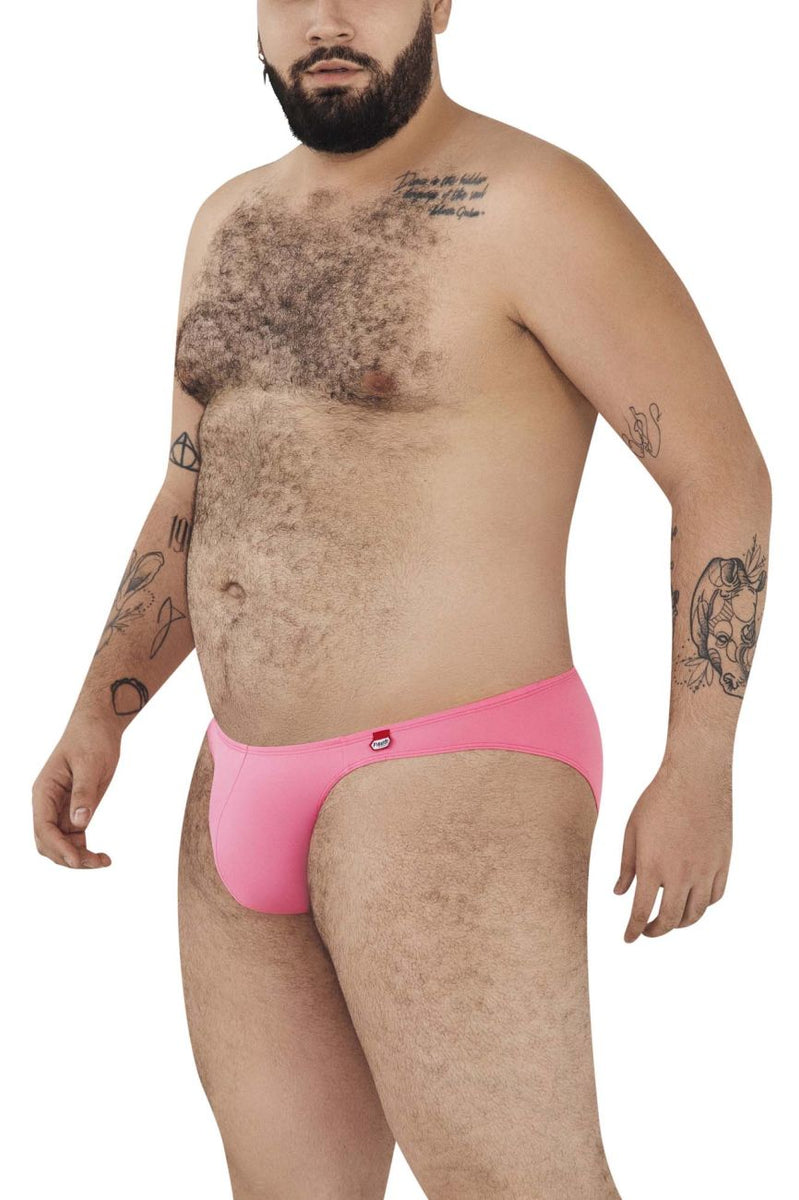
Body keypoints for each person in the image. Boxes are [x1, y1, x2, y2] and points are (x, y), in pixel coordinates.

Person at [31, 2, 772, 1196]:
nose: (326, 18)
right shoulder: (226, 221)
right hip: (237, 782)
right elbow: (190, 492)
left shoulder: (532, 204)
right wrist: (98, 711)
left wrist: (699, 766)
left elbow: (720, 476)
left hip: (449, 774)